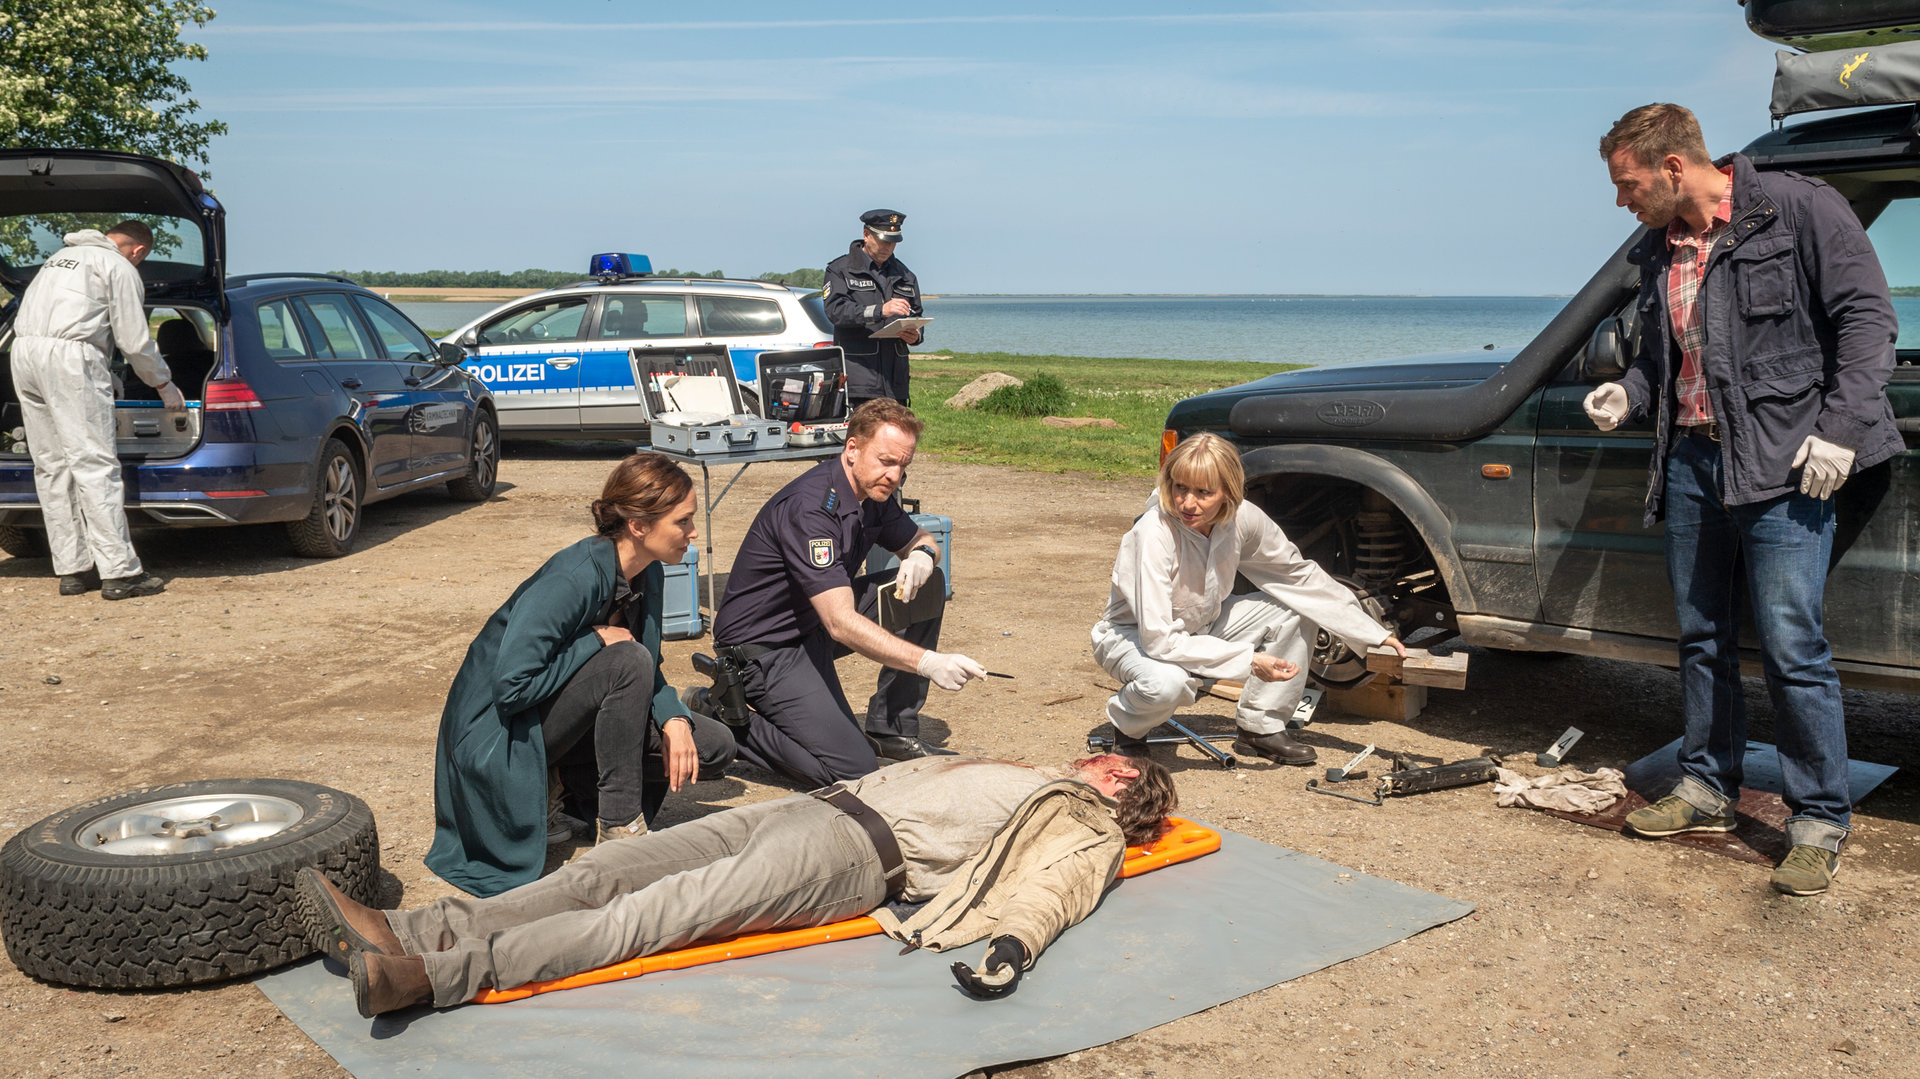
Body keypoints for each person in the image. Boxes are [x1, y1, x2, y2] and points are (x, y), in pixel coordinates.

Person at [1585, 103, 1903, 896]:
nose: (1622, 202)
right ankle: (1705, 788)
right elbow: (1666, 362)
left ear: (1671, 168)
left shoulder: (1797, 210)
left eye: (1627, 185)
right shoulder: (1663, 251)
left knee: (1794, 648)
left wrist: (1839, 430)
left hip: (1787, 466)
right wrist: (1627, 393)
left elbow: (1869, 323)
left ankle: (1819, 819)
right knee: (1701, 635)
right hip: (1694, 462)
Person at [297, 752, 1177, 1018]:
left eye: (1115, 760)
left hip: (849, 859)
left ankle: (432, 975)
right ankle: (411, 927)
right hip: (810, 809)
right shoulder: (1043, 771)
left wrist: (1013, 949)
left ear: (1125, 787)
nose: (1097, 752)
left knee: (649, 914)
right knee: (606, 867)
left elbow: (1053, 891)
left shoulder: (1088, 825)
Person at [424, 453, 737, 898]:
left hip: (553, 716)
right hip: (494, 734)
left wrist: (674, 719)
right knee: (626, 661)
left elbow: (652, 663)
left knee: (712, 747)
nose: (693, 533)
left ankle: (566, 791)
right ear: (639, 525)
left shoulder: (649, 571)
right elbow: (511, 689)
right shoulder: (571, 577)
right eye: (683, 522)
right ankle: (619, 830)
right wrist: (595, 642)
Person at [706, 399, 986, 786]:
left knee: (926, 586)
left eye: (903, 466)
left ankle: (892, 729)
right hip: (767, 648)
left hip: (810, 625)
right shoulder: (812, 509)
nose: (894, 475)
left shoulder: (873, 493)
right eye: (886, 460)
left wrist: (921, 555)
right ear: (852, 449)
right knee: (852, 770)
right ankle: (724, 718)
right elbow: (841, 622)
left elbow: (920, 538)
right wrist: (926, 662)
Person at [1092, 432, 1406, 766]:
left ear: (1227, 492)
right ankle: (1128, 728)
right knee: (1166, 684)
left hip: (1203, 625)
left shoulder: (1242, 518)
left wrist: (1374, 633)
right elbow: (1159, 640)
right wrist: (1250, 660)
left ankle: (1261, 727)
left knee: (1295, 608)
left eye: (1203, 493)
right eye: (1179, 487)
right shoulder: (1154, 533)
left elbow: (1297, 576)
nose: (1187, 503)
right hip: (1134, 635)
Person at [9, 220, 186, 600]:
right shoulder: (118, 267)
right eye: (141, 259)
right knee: (95, 464)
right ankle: (120, 573)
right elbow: (134, 340)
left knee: (52, 465)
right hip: (71, 359)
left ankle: (73, 570)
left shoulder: (58, 259)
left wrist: (103, 369)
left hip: (24, 356)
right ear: (137, 251)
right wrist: (163, 384)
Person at [823, 208, 924, 407]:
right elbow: (835, 311)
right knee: (863, 437)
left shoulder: (906, 275)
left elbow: (916, 314)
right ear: (866, 235)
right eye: (884, 240)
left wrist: (916, 336)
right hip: (859, 379)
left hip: (895, 381)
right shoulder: (841, 270)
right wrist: (880, 311)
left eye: (893, 242)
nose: (889, 246)